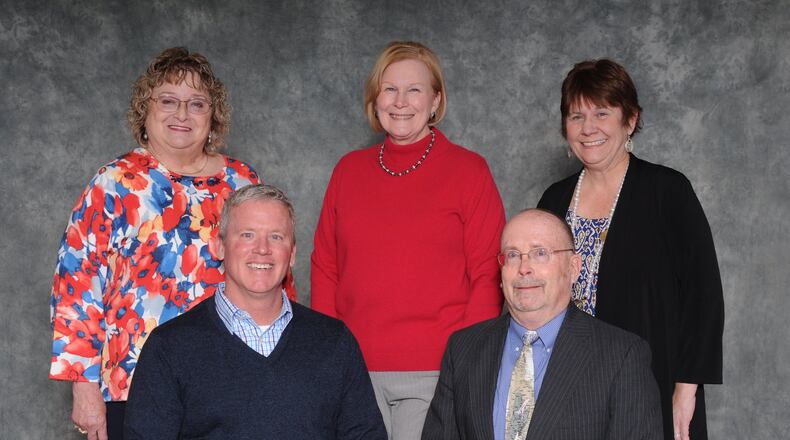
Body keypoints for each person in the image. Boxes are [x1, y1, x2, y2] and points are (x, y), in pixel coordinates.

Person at [48, 47, 265, 439]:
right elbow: (76, 282)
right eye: (168, 100)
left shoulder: (242, 182)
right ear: (144, 110)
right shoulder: (114, 182)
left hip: (230, 380)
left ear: (212, 117)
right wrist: (83, 382)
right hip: (132, 382)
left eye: (196, 103)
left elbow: (270, 270)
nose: (182, 115)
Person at [311, 41, 505, 439]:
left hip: (435, 372)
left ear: (435, 100)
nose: (401, 102)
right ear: (375, 98)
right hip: (355, 370)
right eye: (389, 89)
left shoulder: (469, 171)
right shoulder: (348, 171)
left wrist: (463, 363)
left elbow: (487, 273)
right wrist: (331, 356)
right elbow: (326, 266)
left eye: (414, 89)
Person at [537, 59, 724, 440]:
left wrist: (686, 389)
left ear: (631, 119)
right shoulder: (553, 200)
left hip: (649, 383)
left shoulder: (667, 192)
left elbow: (703, 296)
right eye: (576, 116)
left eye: (602, 113)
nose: (589, 128)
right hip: (564, 385)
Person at [123, 184, 386, 439]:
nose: (262, 249)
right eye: (247, 235)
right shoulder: (169, 348)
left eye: (276, 236)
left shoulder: (334, 342)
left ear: (292, 253)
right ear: (220, 247)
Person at [422, 209, 663, 440]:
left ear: (573, 268)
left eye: (540, 253)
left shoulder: (622, 356)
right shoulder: (463, 348)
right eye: (513, 255)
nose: (524, 268)